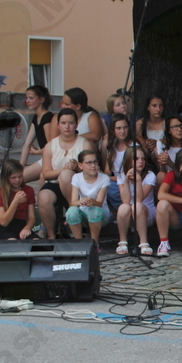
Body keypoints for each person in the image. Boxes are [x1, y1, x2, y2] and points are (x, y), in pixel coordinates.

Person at [37, 108, 94, 240]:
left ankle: (72, 212)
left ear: (76, 124)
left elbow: (92, 171)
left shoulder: (85, 144)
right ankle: (51, 235)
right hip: (55, 183)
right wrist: (64, 168)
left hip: (79, 187)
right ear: (58, 125)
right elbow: (46, 174)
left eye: (71, 123)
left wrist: (77, 168)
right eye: (63, 123)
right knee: (44, 196)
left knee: (67, 175)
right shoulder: (50, 145)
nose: (67, 126)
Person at [0, 159, 36, 254]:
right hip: (3, 227)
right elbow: (4, 222)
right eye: (13, 177)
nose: (17, 180)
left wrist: (27, 228)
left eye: (20, 176)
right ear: (6, 178)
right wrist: (15, 202)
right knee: (13, 245)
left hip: (20, 225)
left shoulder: (29, 190)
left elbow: (32, 217)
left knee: (36, 244)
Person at [115, 145, 156, 256]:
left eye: (143, 159)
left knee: (137, 206)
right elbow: (125, 200)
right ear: (128, 160)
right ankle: (122, 241)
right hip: (130, 213)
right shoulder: (121, 175)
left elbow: (139, 199)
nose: (141, 161)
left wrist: (138, 181)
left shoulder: (150, 175)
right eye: (136, 159)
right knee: (123, 207)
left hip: (146, 212)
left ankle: (144, 242)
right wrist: (126, 180)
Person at [65, 150, 111, 248]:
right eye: (89, 163)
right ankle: (79, 243)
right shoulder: (76, 177)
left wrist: (92, 201)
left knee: (94, 210)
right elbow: (73, 202)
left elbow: (99, 203)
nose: (93, 165)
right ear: (80, 165)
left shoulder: (104, 178)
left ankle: (94, 244)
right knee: (71, 211)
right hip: (84, 212)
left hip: (101, 213)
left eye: (95, 162)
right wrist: (80, 201)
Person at [18, 85, 56, 184]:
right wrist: (19, 168)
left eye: (31, 98)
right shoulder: (36, 117)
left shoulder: (47, 117)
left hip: (52, 160)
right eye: (26, 98)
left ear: (41, 99)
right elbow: (27, 144)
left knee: (19, 179)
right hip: (45, 159)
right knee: (15, 178)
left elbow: (52, 145)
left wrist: (37, 152)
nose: (27, 101)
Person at [101, 113, 133, 212]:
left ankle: (123, 211)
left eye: (125, 127)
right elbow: (107, 171)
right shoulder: (111, 146)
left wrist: (108, 178)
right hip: (116, 182)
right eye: (118, 128)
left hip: (128, 182)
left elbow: (131, 175)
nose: (122, 131)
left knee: (107, 184)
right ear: (113, 130)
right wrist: (99, 174)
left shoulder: (133, 146)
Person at [156, 115, 182, 185]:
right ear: (169, 130)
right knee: (160, 175)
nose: (179, 129)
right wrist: (163, 163)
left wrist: (169, 162)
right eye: (175, 126)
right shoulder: (161, 143)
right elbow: (163, 170)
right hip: (169, 177)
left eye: (181, 125)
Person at [136, 94, 167, 167]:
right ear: (148, 107)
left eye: (161, 105)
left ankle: (162, 170)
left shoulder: (167, 122)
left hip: (164, 152)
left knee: (157, 149)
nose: (158, 109)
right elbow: (138, 137)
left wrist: (158, 142)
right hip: (147, 155)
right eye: (154, 106)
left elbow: (173, 140)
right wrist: (145, 142)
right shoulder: (140, 123)